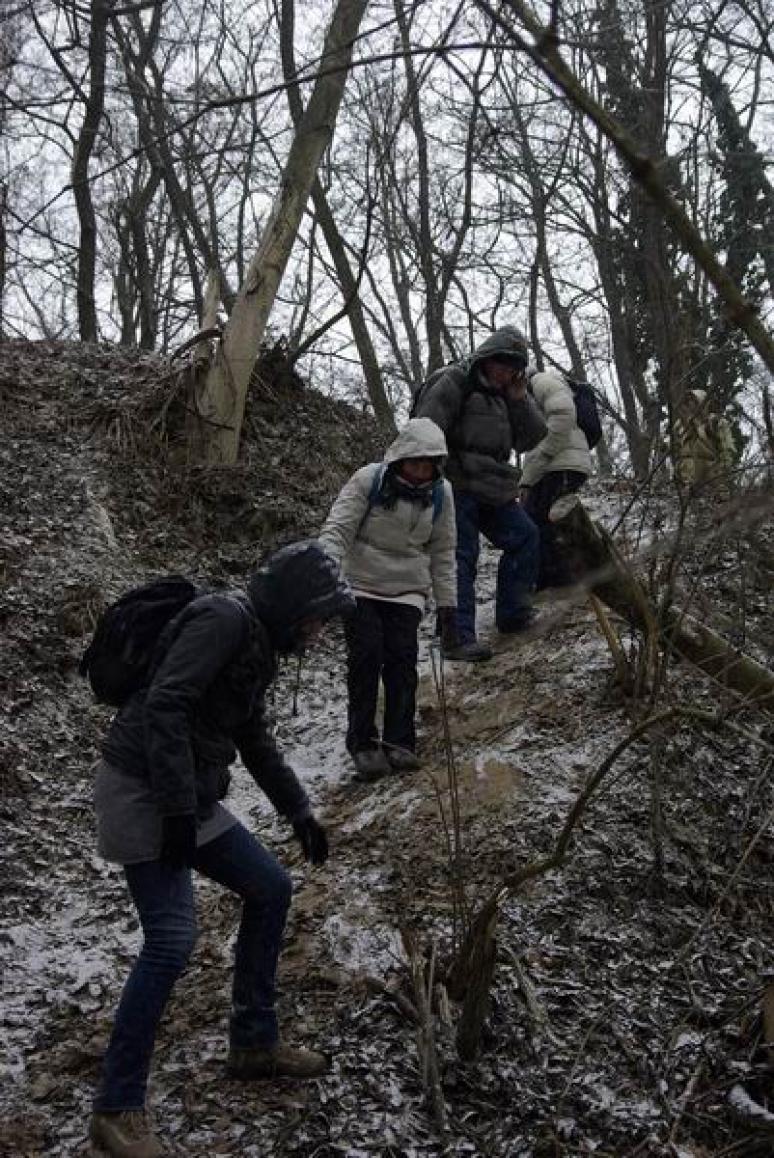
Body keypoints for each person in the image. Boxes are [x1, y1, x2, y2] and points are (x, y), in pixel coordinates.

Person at [89, 541, 355, 1158]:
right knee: (172, 940)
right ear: (293, 607)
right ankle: (115, 1108)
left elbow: (250, 734)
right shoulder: (224, 620)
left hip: (184, 789)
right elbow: (166, 703)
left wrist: (299, 812)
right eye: (316, 619)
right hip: (140, 785)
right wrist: (179, 811)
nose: (318, 633)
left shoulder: (257, 641)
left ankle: (253, 1043)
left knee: (271, 887)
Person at [319, 418, 457, 781]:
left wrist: (448, 605)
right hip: (361, 583)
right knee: (366, 658)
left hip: (408, 588)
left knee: (402, 662)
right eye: (416, 462)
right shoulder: (368, 480)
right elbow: (337, 531)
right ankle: (362, 742)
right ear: (401, 458)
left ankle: (400, 741)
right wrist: (325, 576)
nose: (421, 470)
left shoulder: (443, 495)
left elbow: (444, 551)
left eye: (428, 464)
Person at [413, 326, 547, 662]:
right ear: (487, 358)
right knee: (462, 555)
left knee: (526, 536)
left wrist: (519, 400)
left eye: (511, 367)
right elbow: (425, 428)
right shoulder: (455, 380)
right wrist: (431, 480)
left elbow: (530, 439)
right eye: (500, 364)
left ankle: (513, 614)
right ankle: (456, 637)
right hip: (456, 483)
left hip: (496, 486)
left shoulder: (510, 394)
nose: (504, 372)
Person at [519, 369, 594, 590]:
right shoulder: (530, 394)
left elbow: (563, 414)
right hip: (556, 464)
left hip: (561, 462)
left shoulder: (542, 381)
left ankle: (561, 580)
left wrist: (537, 463)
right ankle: (550, 578)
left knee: (547, 520)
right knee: (538, 518)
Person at [673, 388, 736, 491]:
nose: (689, 404)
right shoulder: (680, 425)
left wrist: (724, 468)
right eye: (687, 401)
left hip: (710, 472)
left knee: (719, 501)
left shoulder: (716, 422)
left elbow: (727, 447)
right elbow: (674, 445)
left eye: (692, 400)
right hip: (686, 474)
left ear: (702, 403)